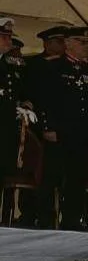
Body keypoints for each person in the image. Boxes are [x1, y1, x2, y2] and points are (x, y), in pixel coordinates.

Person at [32, 27, 88, 230]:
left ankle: (72, 220)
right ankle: (45, 219)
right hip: (59, 132)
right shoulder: (52, 66)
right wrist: (47, 126)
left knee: (77, 179)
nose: (86, 47)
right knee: (52, 176)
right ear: (68, 43)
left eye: (87, 43)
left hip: (82, 134)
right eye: (82, 42)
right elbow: (43, 99)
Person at [0, 19, 31, 189]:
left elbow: (20, 92)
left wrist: (25, 105)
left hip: (6, 129)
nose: (9, 42)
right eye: (4, 37)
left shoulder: (11, 65)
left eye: (9, 37)